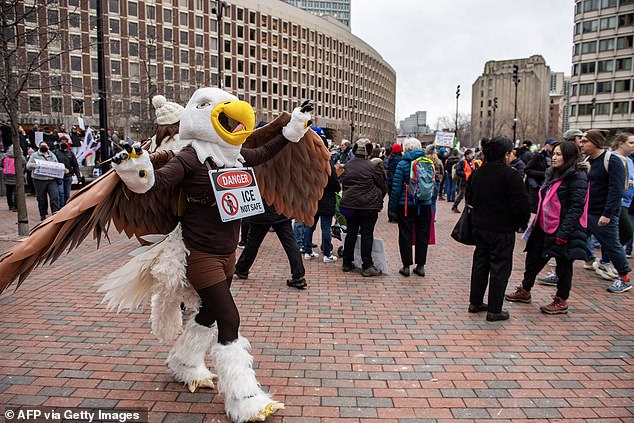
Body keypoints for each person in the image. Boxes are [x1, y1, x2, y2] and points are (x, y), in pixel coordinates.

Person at [505, 141, 588, 314]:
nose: (554, 157)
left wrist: (564, 233)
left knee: (563, 265)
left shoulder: (577, 176)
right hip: (544, 226)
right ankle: (525, 289)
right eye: (554, 154)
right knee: (533, 258)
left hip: (564, 229)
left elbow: (576, 208)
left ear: (569, 156)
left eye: (559, 154)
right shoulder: (553, 174)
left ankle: (561, 300)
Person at [467, 136, 530, 321]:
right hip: (502, 229)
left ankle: (475, 301)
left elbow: (470, 198)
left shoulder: (479, 173)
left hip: (480, 227)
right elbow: (522, 206)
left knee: (480, 264)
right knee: (500, 268)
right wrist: (519, 222)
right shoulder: (510, 176)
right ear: (506, 154)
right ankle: (495, 309)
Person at [579, 130, 631, 293]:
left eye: (585, 141)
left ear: (595, 143)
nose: (581, 144)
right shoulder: (588, 160)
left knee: (612, 246)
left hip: (602, 214)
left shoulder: (612, 160)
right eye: (581, 141)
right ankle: (561, 272)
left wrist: (607, 214)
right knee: (573, 239)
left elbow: (616, 190)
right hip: (586, 211)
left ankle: (624, 279)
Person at [339, 138, 387, 277]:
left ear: (354, 150)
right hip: (368, 206)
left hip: (351, 205)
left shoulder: (347, 166)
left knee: (351, 233)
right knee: (367, 234)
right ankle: (367, 265)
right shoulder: (372, 167)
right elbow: (382, 186)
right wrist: (379, 198)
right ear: (369, 151)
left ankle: (347, 263)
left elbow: (344, 184)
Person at [388, 138, 432, 277]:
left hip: (406, 204)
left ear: (405, 149)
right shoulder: (427, 162)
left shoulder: (402, 164)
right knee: (422, 235)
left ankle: (406, 266)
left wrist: (392, 208)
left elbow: (396, 189)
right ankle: (420, 266)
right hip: (424, 204)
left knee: (405, 234)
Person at [235, 203, 307, 289]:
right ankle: (298, 275)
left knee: (252, 244)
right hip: (281, 211)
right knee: (290, 244)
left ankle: (242, 268)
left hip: (261, 212)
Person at [304, 140, 341, 263]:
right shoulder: (328, 165)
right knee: (325, 228)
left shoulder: (310, 163)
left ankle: (308, 251)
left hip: (314, 199)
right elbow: (336, 185)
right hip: (327, 200)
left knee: (310, 226)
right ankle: (327, 254)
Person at [26, 141, 61, 221]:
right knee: (41, 198)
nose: (44, 147)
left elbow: (57, 164)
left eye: (45, 145)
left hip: (51, 179)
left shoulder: (52, 155)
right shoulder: (35, 155)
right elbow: (28, 166)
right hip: (39, 180)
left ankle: (55, 214)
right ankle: (43, 214)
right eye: (42, 146)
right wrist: (33, 165)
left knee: (54, 197)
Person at [525, 139, 555, 213]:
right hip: (538, 187)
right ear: (547, 146)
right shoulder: (538, 156)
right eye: (552, 145)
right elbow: (527, 170)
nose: (553, 147)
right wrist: (543, 174)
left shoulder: (554, 156)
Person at [53, 138, 82, 207]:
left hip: (68, 176)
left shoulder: (71, 153)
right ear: (59, 143)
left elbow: (75, 165)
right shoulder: (55, 152)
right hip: (59, 176)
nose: (64, 143)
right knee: (61, 192)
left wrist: (78, 176)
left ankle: (66, 207)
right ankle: (61, 207)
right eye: (62, 142)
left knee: (67, 193)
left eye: (65, 142)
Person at [1, 145, 24, 211]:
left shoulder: (5, 156)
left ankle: (10, 205)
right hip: (16, 176)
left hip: (7, 176)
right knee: (16, 191)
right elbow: (24, 162)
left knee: (9, 192)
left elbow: (1, 164)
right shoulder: (19, 156)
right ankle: (15, 206)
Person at [452, 149, 475, 213]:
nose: (472, 155)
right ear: (467, 155)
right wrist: (465, 174)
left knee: (468, 196)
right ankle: (454, 206)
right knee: (461, 195)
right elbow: (458, 171)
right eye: (471, 154)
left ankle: (467, 208)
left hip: (470, 182)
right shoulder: (462, 162)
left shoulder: (472, 162)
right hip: (464, 181)